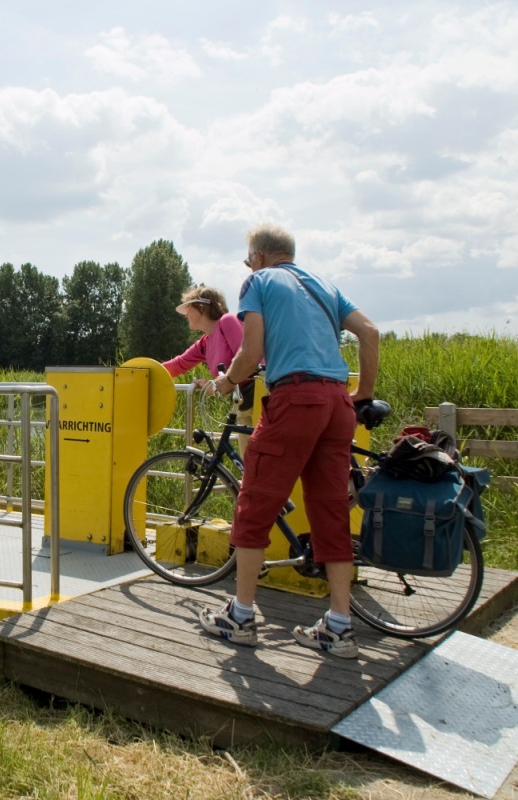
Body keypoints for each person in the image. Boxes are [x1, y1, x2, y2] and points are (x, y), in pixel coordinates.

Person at [198, 223, 379, 659]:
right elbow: (370, 333)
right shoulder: (325, 286)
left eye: (247, 260)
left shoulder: (258, 281)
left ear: (258, 256)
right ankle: (339, 627)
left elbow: (252, 345)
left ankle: (241, 617)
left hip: (295, 399)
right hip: (337, 404)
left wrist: (227, 382)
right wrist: (362, 395)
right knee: (330, 510)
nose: (248, 266)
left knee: (255, 501)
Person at [162, 286, 255, 430]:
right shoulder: (204, 343)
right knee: (247, 453)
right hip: (242, 404)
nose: (185, 315)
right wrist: (140, 371)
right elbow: (177, 365)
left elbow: (251, 358)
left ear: (201, 308)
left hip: (260, 398)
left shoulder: (227, 321)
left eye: (188, 309)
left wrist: (216, 385)